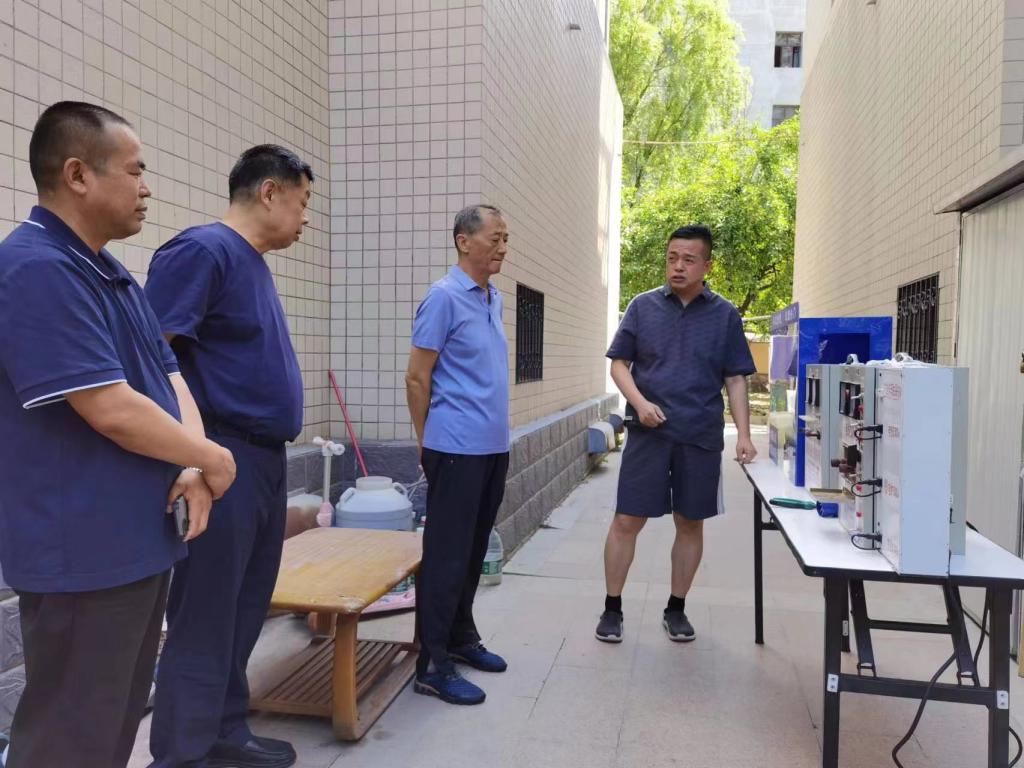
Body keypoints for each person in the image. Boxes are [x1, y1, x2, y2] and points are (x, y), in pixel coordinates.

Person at [0, 101, 235, 768]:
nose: (146, 187)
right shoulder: (36, 267)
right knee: (70, 738)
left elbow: (170, 376)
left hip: (133, 544)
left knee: (112, 727)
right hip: (84, 554)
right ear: (77, 174)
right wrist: (215, 458)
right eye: (134, 171)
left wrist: (193, 467)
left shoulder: (110, 272)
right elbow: (109, 407)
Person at [144, 145, 312, 768]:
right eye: (303, 201)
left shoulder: (253, 264)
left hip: (262, 460)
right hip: (220, 455)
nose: (306, 217)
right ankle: (182, 752)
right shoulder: (202, 251)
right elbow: (152, 359)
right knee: (207, 608)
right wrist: (188, 459)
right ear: (269, 192)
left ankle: (224, 730)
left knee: (243, 605)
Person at [596, 225, 757, 644]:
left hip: (699, 434)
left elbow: (735, 378)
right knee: (627, 519)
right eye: (672, 258)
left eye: (688, 259)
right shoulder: (643, 306)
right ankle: (612, 608)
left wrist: (743, 434)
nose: (678, 266)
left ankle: (676, 608)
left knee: (690, 521)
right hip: (648, 434)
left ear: (707, 266)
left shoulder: (725, 315)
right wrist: (639, 403)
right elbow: (618, 364)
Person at [405, 204, 511, 705]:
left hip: (493, 446)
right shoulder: (443, 297)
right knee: (446, 556)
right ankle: (432, 663)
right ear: (463, 242)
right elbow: (416, 377)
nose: (503, 247)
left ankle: (461, 637)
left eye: (506, 238)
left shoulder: (494, 298)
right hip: (454, 448)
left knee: (471, 550)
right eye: (495, 238)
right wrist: (426, 442)